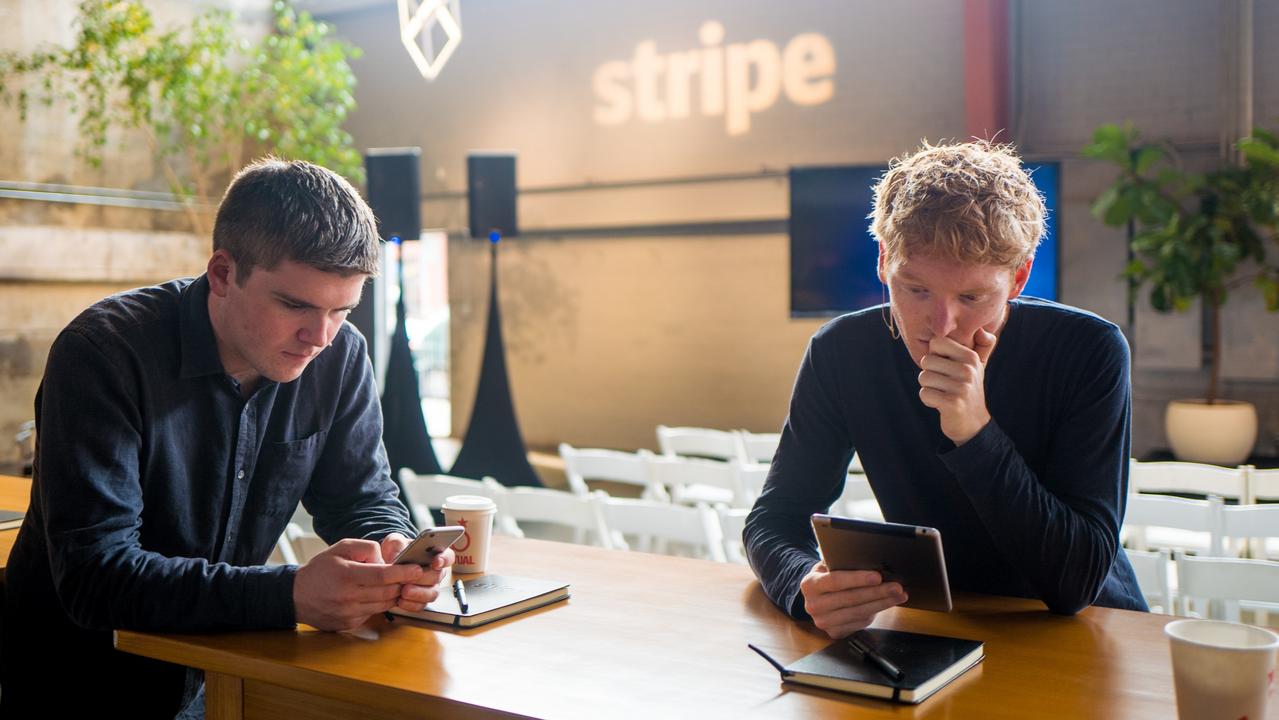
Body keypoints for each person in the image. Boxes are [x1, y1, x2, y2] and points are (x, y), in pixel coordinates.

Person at [1, 158, 453, 717]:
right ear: (222, 273)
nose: (319, 337)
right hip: (78, 686)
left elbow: (360, 498)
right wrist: (289, 595)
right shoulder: (103, 354)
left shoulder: (341, 355)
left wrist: (392, 554)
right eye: (295, 305)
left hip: (223, 674)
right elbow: (96, 578)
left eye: (342, 309)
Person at [745, 140, 1147, 640]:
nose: (941, 325)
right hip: (937, 627)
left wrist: (974, 431)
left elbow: (1075, 584)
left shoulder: (1088, 350)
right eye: (915, 290)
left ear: (1018, 278)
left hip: (1088, 630)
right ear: (883, 261)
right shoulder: (841, 352)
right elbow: (773, 519)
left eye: (972, 297)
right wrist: (802, 582)